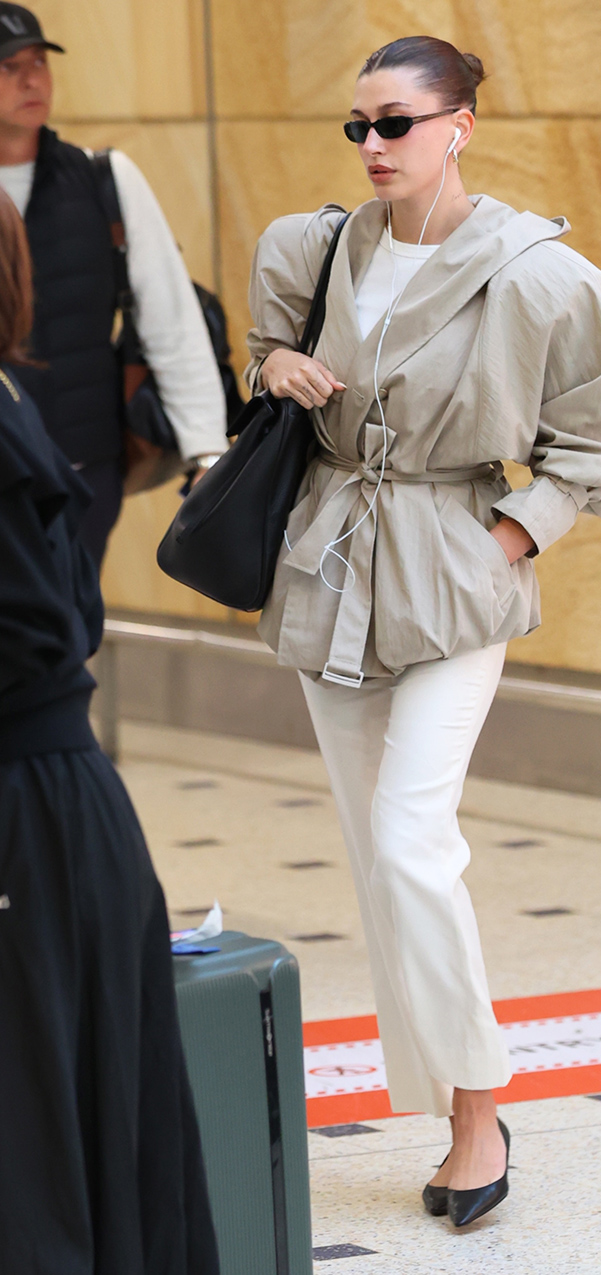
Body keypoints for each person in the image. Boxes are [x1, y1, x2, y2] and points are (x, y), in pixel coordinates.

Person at [247, 35, 601, 1227]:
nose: (373, 146)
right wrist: (276, 363)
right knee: (378, 863)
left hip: (455, 570)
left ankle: (479, 1104)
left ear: (459, 126)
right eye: (358, 127)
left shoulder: (539, 276)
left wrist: (512, 537)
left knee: (412, 836)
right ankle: (442, 1098)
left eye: (398, 124)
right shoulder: (310, 247)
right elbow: (260, 355)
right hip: (332, 566)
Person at [0, 186, 219, 1274]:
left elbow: (35, 629)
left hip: (34, 804)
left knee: (50, 1124)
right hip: (52, 801)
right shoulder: (12, 399)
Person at [0, 2, 227, 567]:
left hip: (83, 466)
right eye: (8, 66)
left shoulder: (104, 179)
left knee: (69, 639)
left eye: (38, 61)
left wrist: (206, 451)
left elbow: (171, 319)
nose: (32, 79)